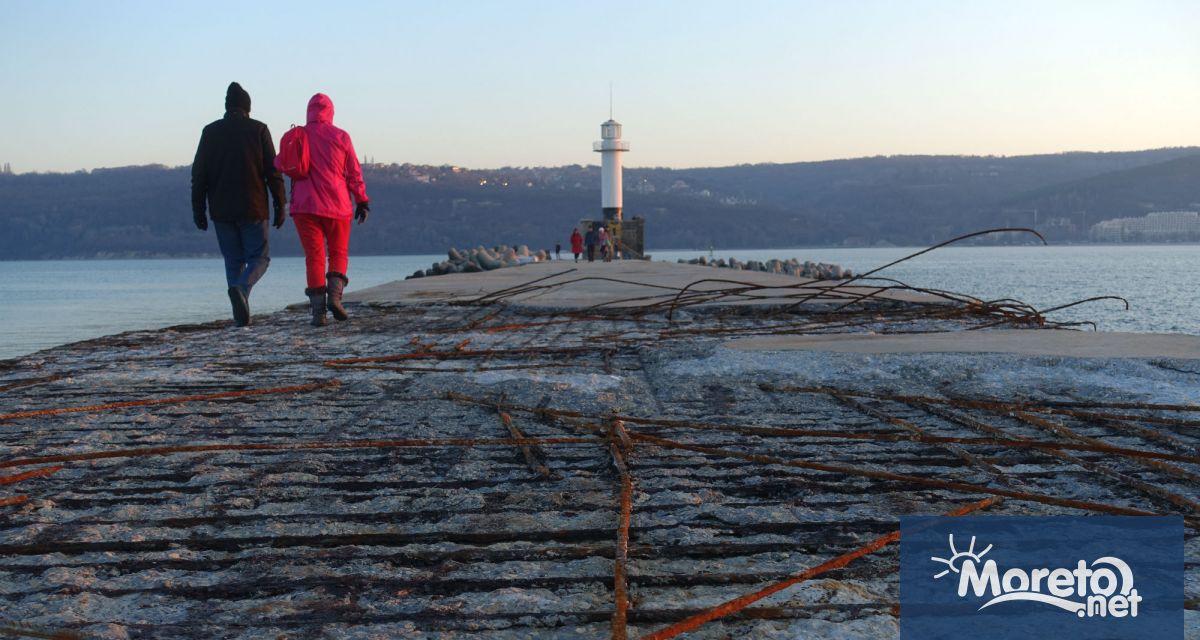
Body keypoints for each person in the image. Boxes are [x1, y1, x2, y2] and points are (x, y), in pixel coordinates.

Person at [191, 82, 286, 327]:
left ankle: (240, 315)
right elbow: (273, 172)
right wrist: (280, 204)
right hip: (254, 206)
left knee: (233, 260)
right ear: (247, 108)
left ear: (227, 107)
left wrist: (198, 210)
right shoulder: (258, 130)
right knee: (260, 258)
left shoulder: (210, 132)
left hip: (221, 210)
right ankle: (242, 290)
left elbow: (199, 175)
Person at [283, 93, 370, 327]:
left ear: (308, 112)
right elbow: (353, 173)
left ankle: (318, 313)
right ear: (331, 112)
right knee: (338, 252)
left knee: (314, 257)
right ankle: (335, 298)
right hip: (337, 205)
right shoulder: (341, 136)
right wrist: (362, 200)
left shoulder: (298, 135)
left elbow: (280, 163)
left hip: (304, 206)